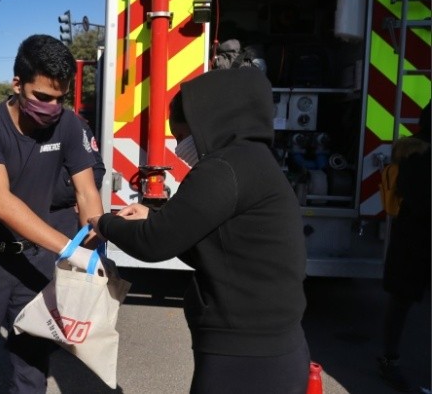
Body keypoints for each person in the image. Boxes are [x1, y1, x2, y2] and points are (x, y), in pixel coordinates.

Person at [89, 68, 310, 393]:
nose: (180, 148)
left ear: (206, 123)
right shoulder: (253, 160)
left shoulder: (223, 167)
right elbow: (206, 235)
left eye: (180, 137)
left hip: (245, 356)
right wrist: (153, 215)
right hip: (267, 346)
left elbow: (155, 244)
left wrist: (102, 222)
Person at [0, 34, 105, 393]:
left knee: (31, 370)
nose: (52, 107)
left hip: (37, 264)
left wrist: (95, 243)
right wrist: (69, 248)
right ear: (17, 83)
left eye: (60, 99)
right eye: (42, 97)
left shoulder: (70, 125)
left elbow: (87, 190)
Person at [378, 102, 430, 393]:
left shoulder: (411, 152)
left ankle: (389, 358)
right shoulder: (421, 155)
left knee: (400, 303)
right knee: (401, 303)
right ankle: (389, 359)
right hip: (417, 239)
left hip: (410, 240)